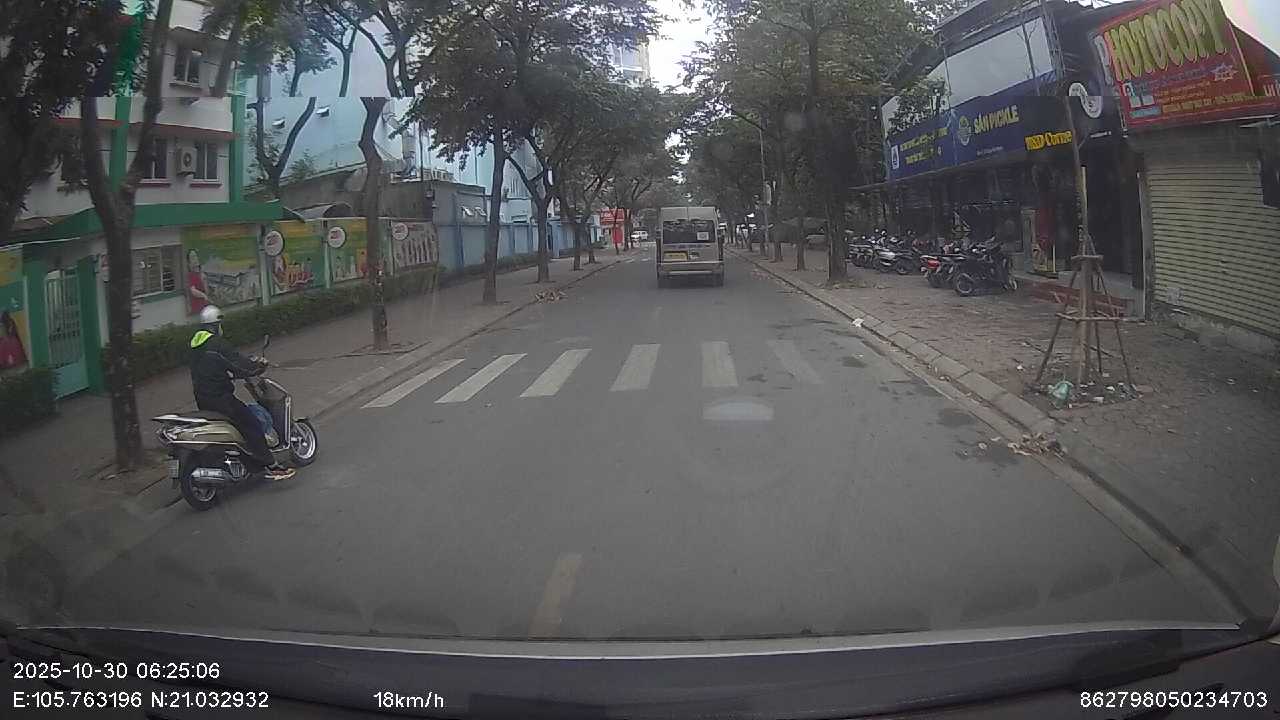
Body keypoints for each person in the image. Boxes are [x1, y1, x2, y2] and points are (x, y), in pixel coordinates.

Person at [189, 306, 295, 481]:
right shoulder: (218, 345)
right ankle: (270, 465)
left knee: (236, 426)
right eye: (220, 324)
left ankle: (243, 461)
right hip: (221, 398)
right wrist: (259, 366)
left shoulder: (195, 346)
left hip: (202, 398)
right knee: (251, 424)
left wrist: (228, 373)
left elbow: (211, 368)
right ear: (216, 325)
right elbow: (239, 365)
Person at [187, 250, 211, 315]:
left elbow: (207, 292)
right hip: (197, 308)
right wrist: (203, 295)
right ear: (189, 262)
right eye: (192, 257)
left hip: (205, 307)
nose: (195, 259)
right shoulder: (190, 275)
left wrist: (204, 280)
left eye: (195, 256)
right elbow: (193, 291)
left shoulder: (202, 274)